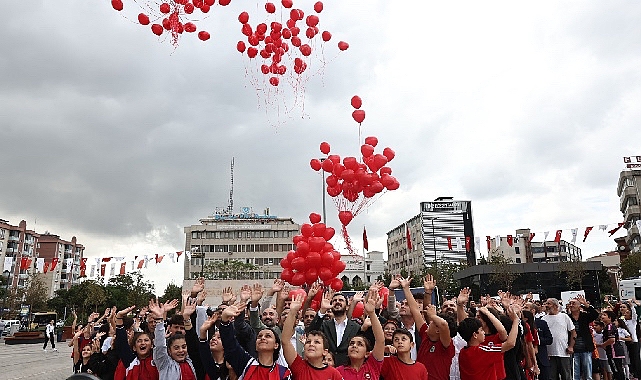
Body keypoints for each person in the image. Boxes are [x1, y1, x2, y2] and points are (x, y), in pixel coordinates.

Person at [219, 301, 291, 380]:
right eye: (259, 336)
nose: (262, 338)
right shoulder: (246, 364)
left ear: (276, 345)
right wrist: (225, 320)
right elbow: (230, 345)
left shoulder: (283, 373)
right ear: (256, 345)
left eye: (268, 336)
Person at [282, 293, 343, 380]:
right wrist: (292, 312)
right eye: (308, 341)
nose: (311, 344)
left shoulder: (333, 373)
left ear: (325, 352)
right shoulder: (299, 366)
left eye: (317, 342)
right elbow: (285, 341)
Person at [457, 305, 521, 380]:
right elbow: (510, 343)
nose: (483, 332)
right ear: (475, 335)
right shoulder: (483, 351)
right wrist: (516, 321)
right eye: (481, 330)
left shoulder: (462, 352)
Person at [336, 290, 386, 380]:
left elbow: (380, 340)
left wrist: (372, 313)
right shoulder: (338, 372)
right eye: (351, 344)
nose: (354, 346)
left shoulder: (373, 365)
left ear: (367, 353)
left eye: (360, 344)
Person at [307, 289, 362, 366]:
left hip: (347, 369)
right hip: (326, 369)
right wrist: (322, 310)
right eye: (334, 300)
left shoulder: (356, 327)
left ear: (347, 307)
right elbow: (311, 332)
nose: (337, 302)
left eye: (341, 300)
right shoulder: (325, 325)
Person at [150, 298, 198, 380]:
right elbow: (160, 346)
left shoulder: (190, 361)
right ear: (169, 350)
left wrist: (186, 317)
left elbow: (192, 339)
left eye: (183, 347)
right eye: (176, 348)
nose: (181, 350)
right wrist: (159, 319)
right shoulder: (164, 364)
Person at [542, 298, 576, 380]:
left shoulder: (564, 316)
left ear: (555, 306)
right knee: (552, 376)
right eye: (546, 303)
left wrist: (571, 346)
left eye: (549, 304)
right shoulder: (543, 319)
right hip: (549, 353)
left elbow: (573, 332)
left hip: (563, 352)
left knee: (566, 376)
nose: (546, 306)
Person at [567, 295, 599, 380]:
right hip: (574, 348)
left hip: (586, 347)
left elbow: (595, 314)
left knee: (588, 372)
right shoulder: (567, 317)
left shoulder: (584, 316)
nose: (571, 305)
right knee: (575, 373)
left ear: (579, 306)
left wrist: (586, 304)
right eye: (570, 303)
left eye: (573, 303)